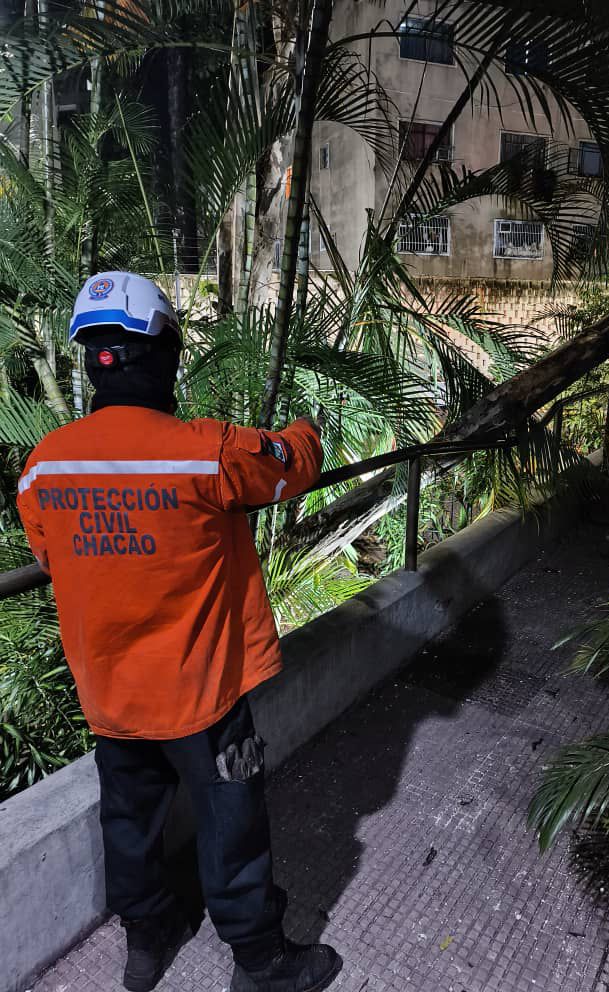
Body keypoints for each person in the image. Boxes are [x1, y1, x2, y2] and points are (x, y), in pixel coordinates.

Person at [16, 272, 342, 992]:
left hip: (110, 698)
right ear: (161, 351)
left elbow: (48, 551)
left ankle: (146, 942)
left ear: (92, 360)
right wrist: (304, 431)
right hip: (203, 699)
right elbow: (293, 466)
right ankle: (260, 962)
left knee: (130, 823)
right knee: (232, 821)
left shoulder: (43, 467)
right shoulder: (206, 451)